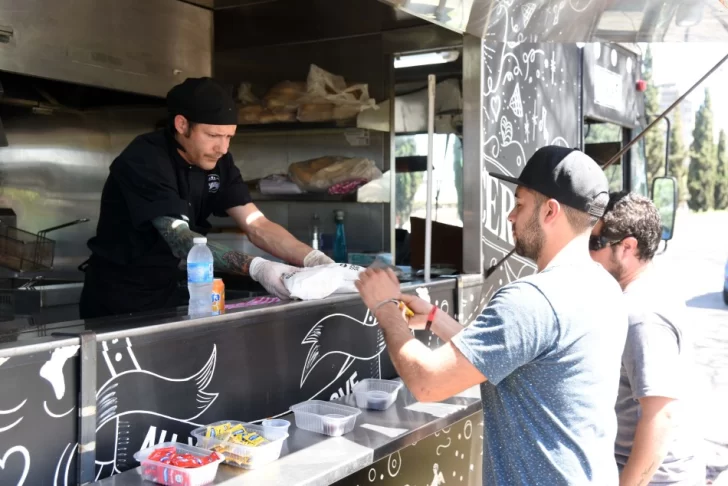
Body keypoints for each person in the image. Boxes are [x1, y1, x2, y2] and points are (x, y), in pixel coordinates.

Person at [356, 145, 628, 485]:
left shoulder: (531, 300)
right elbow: (516, 357)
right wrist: (433, 319)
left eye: (519, 204)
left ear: (550, 211)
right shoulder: (604, 287)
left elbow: (427, 382)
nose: (511, 216)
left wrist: (384, 308)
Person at [80, 77, 333, 319]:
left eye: (229, 137)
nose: (222, 148)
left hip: (166, 293)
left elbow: (257, 224)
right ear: (182, 125)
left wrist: (313, 259)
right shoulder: (145, 159)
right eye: (213, 136)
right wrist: (257, 268)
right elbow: (181, 240)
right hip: (115, 300)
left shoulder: (219, 162)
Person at [589, 192, 705, 486]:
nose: (587, 254)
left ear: (627, 247)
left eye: (595, 243)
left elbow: (661, 416)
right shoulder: (650, 292)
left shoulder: (642, 314)